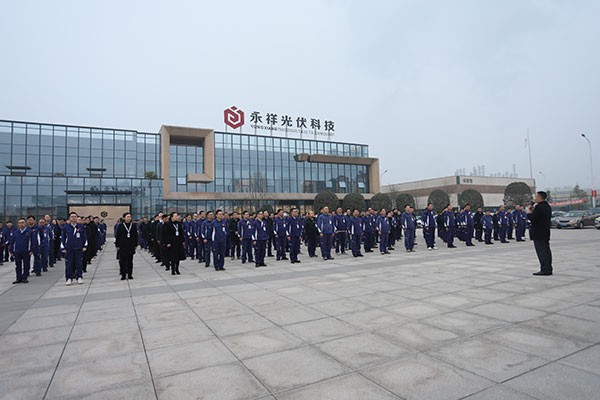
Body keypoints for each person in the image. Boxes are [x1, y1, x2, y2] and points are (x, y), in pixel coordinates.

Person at [526, 191, 553, 276]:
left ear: (540, 197)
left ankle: (545, 269)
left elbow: (534, 218)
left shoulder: (539, 207)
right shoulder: (547, 206)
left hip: (538, 233)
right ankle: (548, 268)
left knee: (541, 251)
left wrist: (528, 213)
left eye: (536, 197)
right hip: (545, 232)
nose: (535, 198)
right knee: (546, 251)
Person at [61, 212, 87, 286]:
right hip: (69, 249)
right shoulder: (65, 227)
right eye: (72, 216)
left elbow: (84, 237)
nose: (73, 218)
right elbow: (63, 238)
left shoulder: (81, 227)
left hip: (78, 248)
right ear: (69, 218)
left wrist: (84, 246)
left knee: (79, 263)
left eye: (75, 216)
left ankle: (79, 276)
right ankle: (69, 278)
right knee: (69, 264)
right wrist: (63, 248)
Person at [115, 212, 138, 280]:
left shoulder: (133, 225)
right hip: (122, 245)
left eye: (130, 217)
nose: (129, 218)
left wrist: (136, 244)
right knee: (123, 261)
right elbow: (118, 236)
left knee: (130, 261)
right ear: (124, 218)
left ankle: (130, 274)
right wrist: (117, 245)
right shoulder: (120, 226)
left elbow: (135, 235)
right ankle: (123, 274)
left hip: (131, 245)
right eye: (127, 217)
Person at [10, 218, 32, 284]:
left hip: (26, 251)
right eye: (20, 223)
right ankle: (18, 278)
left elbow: (33, 241)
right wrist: (11, 251)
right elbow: (12, 242)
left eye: (22, 222)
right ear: (18, 224)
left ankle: (24, 277)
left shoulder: (29, 232)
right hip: (17, 251)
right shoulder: (15, 232)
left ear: (25, 223)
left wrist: (31, 250)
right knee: (18, 265)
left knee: (26, 265)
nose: (21, 224)